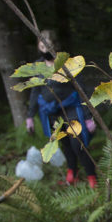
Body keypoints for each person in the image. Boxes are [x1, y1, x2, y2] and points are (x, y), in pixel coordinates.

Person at [24, 29, 99, 188]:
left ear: (55, 45)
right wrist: (30, 116)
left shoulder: (67, 64)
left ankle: (93, 178)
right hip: (51, 113)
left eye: (48, 47)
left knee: (76, 144)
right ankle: (72, 174)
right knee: (65, 144)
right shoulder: (38, 67)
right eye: (42, 48)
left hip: (72, 110)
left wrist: (88, 117)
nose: (45, 51)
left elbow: (82, 91)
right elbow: (34, 91)